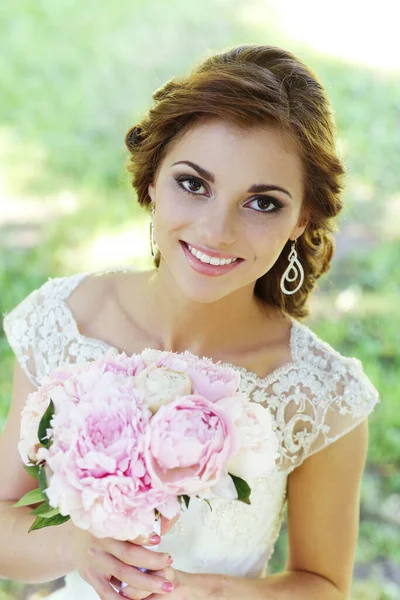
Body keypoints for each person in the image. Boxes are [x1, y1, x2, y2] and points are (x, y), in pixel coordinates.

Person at [0, 44, 380, 600]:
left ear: (302, 218)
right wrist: (74, 548)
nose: (215, 230)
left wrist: (212, 593)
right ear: (152, 178)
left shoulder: (321, 396)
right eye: (194, 184)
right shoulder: (64, 323)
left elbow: (323, 586)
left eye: (263, 203)